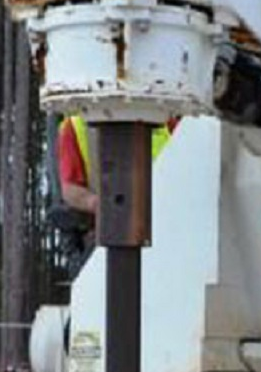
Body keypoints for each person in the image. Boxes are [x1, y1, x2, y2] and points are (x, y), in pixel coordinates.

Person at [54, 114, 178, 273]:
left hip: (170, 226)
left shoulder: (163, 114)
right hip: (110, 235)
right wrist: (102, 205)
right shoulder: (74, 126)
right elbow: (70, 190)